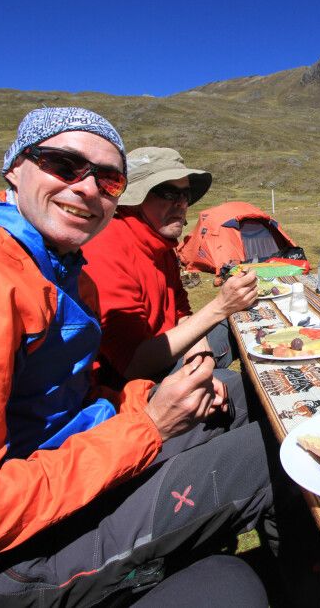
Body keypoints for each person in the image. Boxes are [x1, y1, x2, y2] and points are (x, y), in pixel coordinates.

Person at [0, 108, 281, 606]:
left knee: (249, 398)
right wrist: (150, 426)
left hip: (52, 481)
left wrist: (146, 401)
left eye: (107, 177)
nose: (86, 188)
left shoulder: (60, 272)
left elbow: (70, 397)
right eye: (62, 164)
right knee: (266, 457)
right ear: (15, 167)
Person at [82, 146, 257, 437]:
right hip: (126, 389)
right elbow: (132, 365)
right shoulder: (106, 247)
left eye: (185, 194)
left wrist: (196, 341)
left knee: (243, 323)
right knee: (233, 385)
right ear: (133, 199)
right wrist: (220, 307)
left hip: (166, 354)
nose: (180, 203)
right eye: (166, 192)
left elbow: (180, 311)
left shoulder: (160, 242)